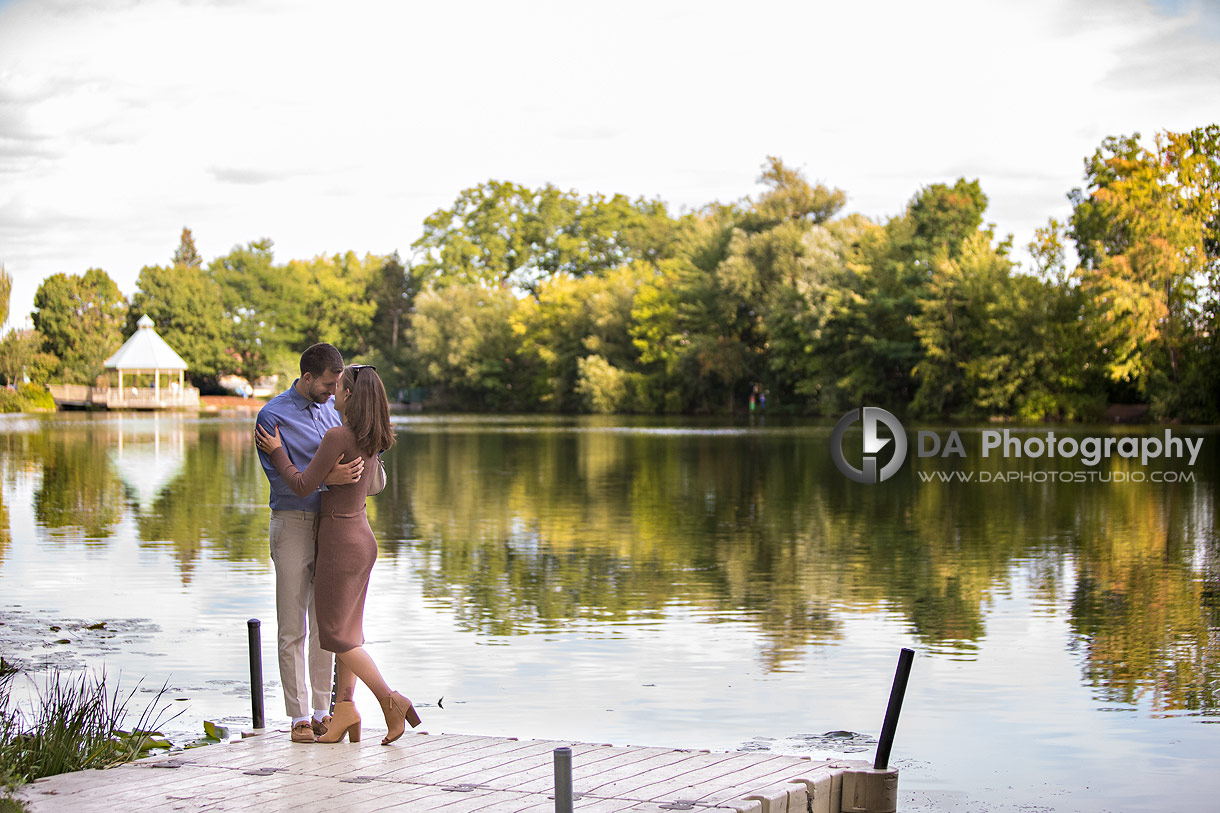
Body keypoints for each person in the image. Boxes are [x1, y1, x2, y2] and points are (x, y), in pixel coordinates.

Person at [256, 363, 421, 745]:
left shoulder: (336, 435)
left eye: (340, 388)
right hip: (362, 538)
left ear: (350, 396)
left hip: (339, 542)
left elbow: (299, 483)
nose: (334, 394)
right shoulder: (372, 436)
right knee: (349, 631)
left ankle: (390, 700)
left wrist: (279, 451)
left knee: (334, 636)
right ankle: (344, 707)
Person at [256, 343, 365, 744]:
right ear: (306, 378)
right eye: (328, 384)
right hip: (293, 523)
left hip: (331, 527)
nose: (334, 391)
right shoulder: (271, 417)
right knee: (292, 624)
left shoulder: (331, 412)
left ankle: (324, 711)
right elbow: (289, 481)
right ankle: (299, 716)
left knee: (325, 624)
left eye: (337, 384)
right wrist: (328, 479)